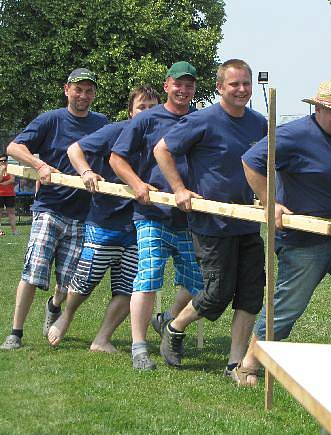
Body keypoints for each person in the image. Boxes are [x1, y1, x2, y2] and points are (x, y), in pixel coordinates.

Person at [235, 79, 331, 386]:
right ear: (318, 108)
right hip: (305, 240)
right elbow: (251, 162)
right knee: (287, 308)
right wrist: (270, 202)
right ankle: (248, 365)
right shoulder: (293, 135)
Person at [153, 59, 268, 373]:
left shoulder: (259, 124)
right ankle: (174, 327)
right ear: (220, 88)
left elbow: (268, 164)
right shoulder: (202, 120)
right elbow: (162, 150)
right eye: (234, 84)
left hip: (246, 221)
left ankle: (234, 362)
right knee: (216, 293)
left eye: (246, 83)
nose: (242, 89)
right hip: (211, 222)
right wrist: (179, 189)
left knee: (251, 294)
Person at [47, 85, 161, 356]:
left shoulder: (161, 136)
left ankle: (102, 339)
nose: (147, 113)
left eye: (152, 108)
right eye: (141, 107)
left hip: (138, 224)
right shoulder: (115, 131)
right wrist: (86, 171)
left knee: (128, 287)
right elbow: (75, 149)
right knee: (85, 281)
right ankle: (66, 316)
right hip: (104, 221)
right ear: (131, 111)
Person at [0, 68, 108, 350]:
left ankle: (54, 306)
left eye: (89, 90)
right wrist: (39, 165)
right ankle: (16, 332)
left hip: (82, 214)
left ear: (94, 94)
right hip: (49, 209)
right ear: (66, 90)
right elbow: (14, 146)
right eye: (78, 89)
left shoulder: (101, 123)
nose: (83, 95)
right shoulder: (51, 120)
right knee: (33, 271)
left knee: (69, 281)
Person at [110, 61, 203, 369]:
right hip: (151, 214)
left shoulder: (200, 120)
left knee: (199, 284)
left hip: (190, 218)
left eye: (189, 85)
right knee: (148, 277)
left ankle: (167, 320)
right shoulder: (147, 120)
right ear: (167, 85)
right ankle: (139, 348)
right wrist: (136, 183)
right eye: (178, 84)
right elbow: (116, 158)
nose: (184, 90)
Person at [0, 154, 17, 235]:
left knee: (11, 212)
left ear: (7, 160)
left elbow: (12, 180)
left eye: (4, 160)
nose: (3, 162)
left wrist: (1, 184)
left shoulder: (11, 169)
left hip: (10, 193)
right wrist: (2, 171)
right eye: (1, 161)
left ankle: (14, 231)